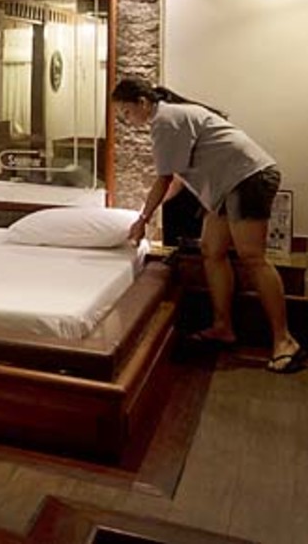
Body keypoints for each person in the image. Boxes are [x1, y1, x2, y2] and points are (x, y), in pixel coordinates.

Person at [112, 76, 304, 373]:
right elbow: (176, 178)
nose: (126, 120)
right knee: (211, 250)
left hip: (248, 177)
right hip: (227, 185)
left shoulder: (165, 119)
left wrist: (142, 218)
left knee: (252, 257)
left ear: (142, 102)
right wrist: (145, 213)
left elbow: (165, 179)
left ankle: (285, 340)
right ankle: (223, 326)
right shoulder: (168, 116)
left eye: (126, 113)